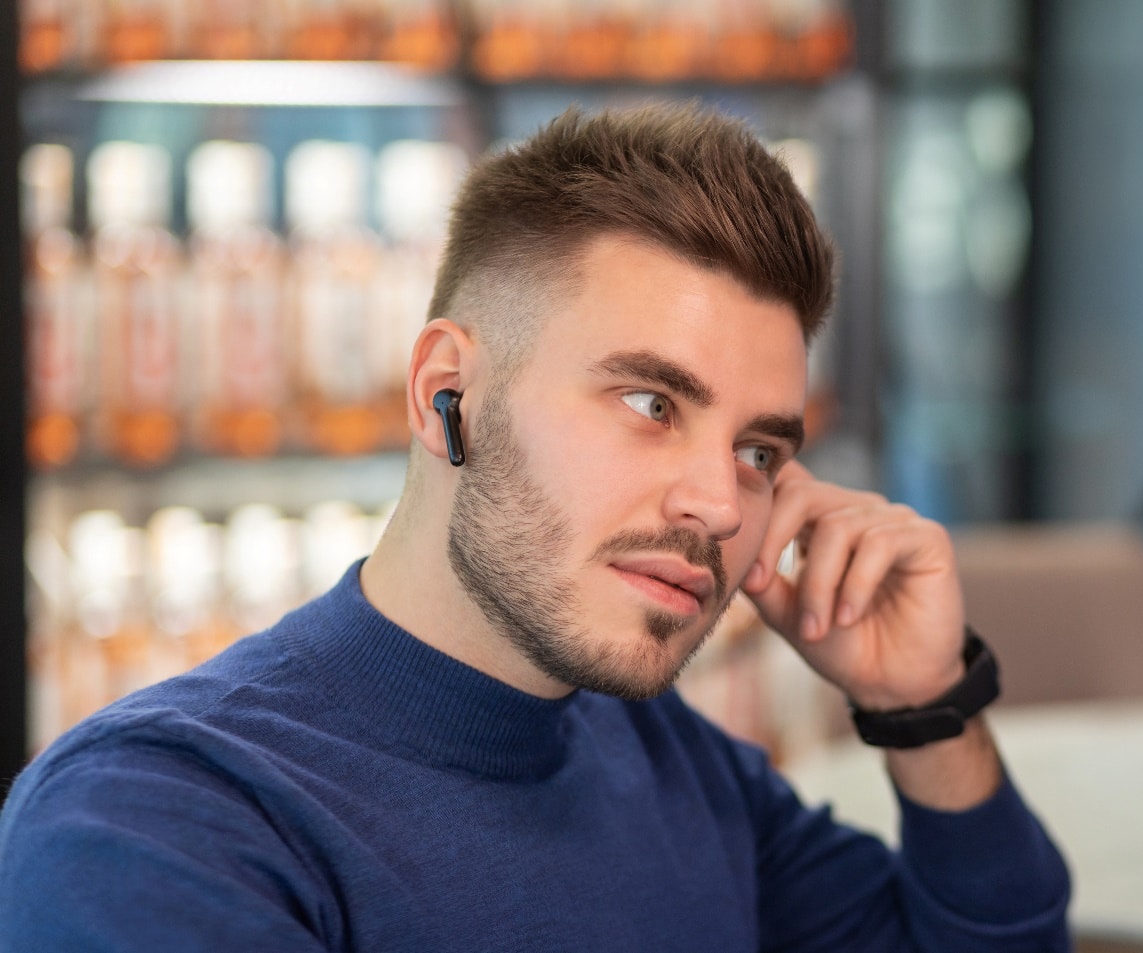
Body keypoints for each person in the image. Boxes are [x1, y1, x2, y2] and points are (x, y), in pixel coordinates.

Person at [0, 103, 1070, 951]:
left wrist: (922, 708)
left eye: (759, 451)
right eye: (651, 403)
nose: (720, 503)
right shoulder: (156, 820)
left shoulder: (671, 759)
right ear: (444, 395)